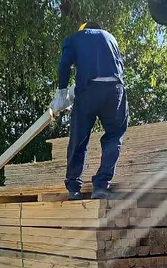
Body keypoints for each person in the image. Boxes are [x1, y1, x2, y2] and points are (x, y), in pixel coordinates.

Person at [50, 21, 129, 201]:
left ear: (83, 29)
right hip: (114, 90)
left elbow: (64, 64)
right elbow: (120, 67)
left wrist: (62, 92)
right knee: (114, 135)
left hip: (88, 90)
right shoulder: (111, 38)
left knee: (79, 138)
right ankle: (101, 186)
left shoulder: (76, 38)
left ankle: (73, 188)